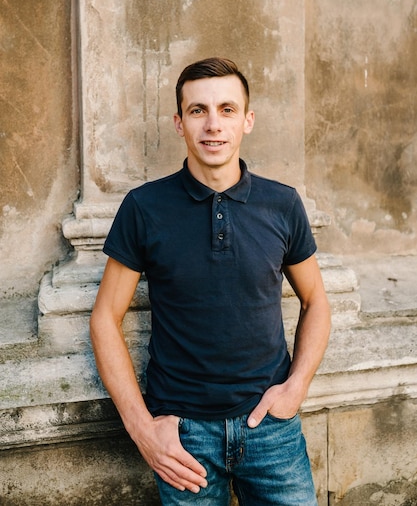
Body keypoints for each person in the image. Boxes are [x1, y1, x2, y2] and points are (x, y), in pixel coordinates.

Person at [90, 57, 331, 505]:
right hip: (183, 437)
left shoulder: (282, 204)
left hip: (271, 429)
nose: (213, 124)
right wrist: (142, 429)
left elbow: (316, 299)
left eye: (227, 109)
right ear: (180, 123)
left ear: (247, 120)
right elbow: (105, 316)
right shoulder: (145, 208)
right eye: (198, 111)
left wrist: (295, 387)